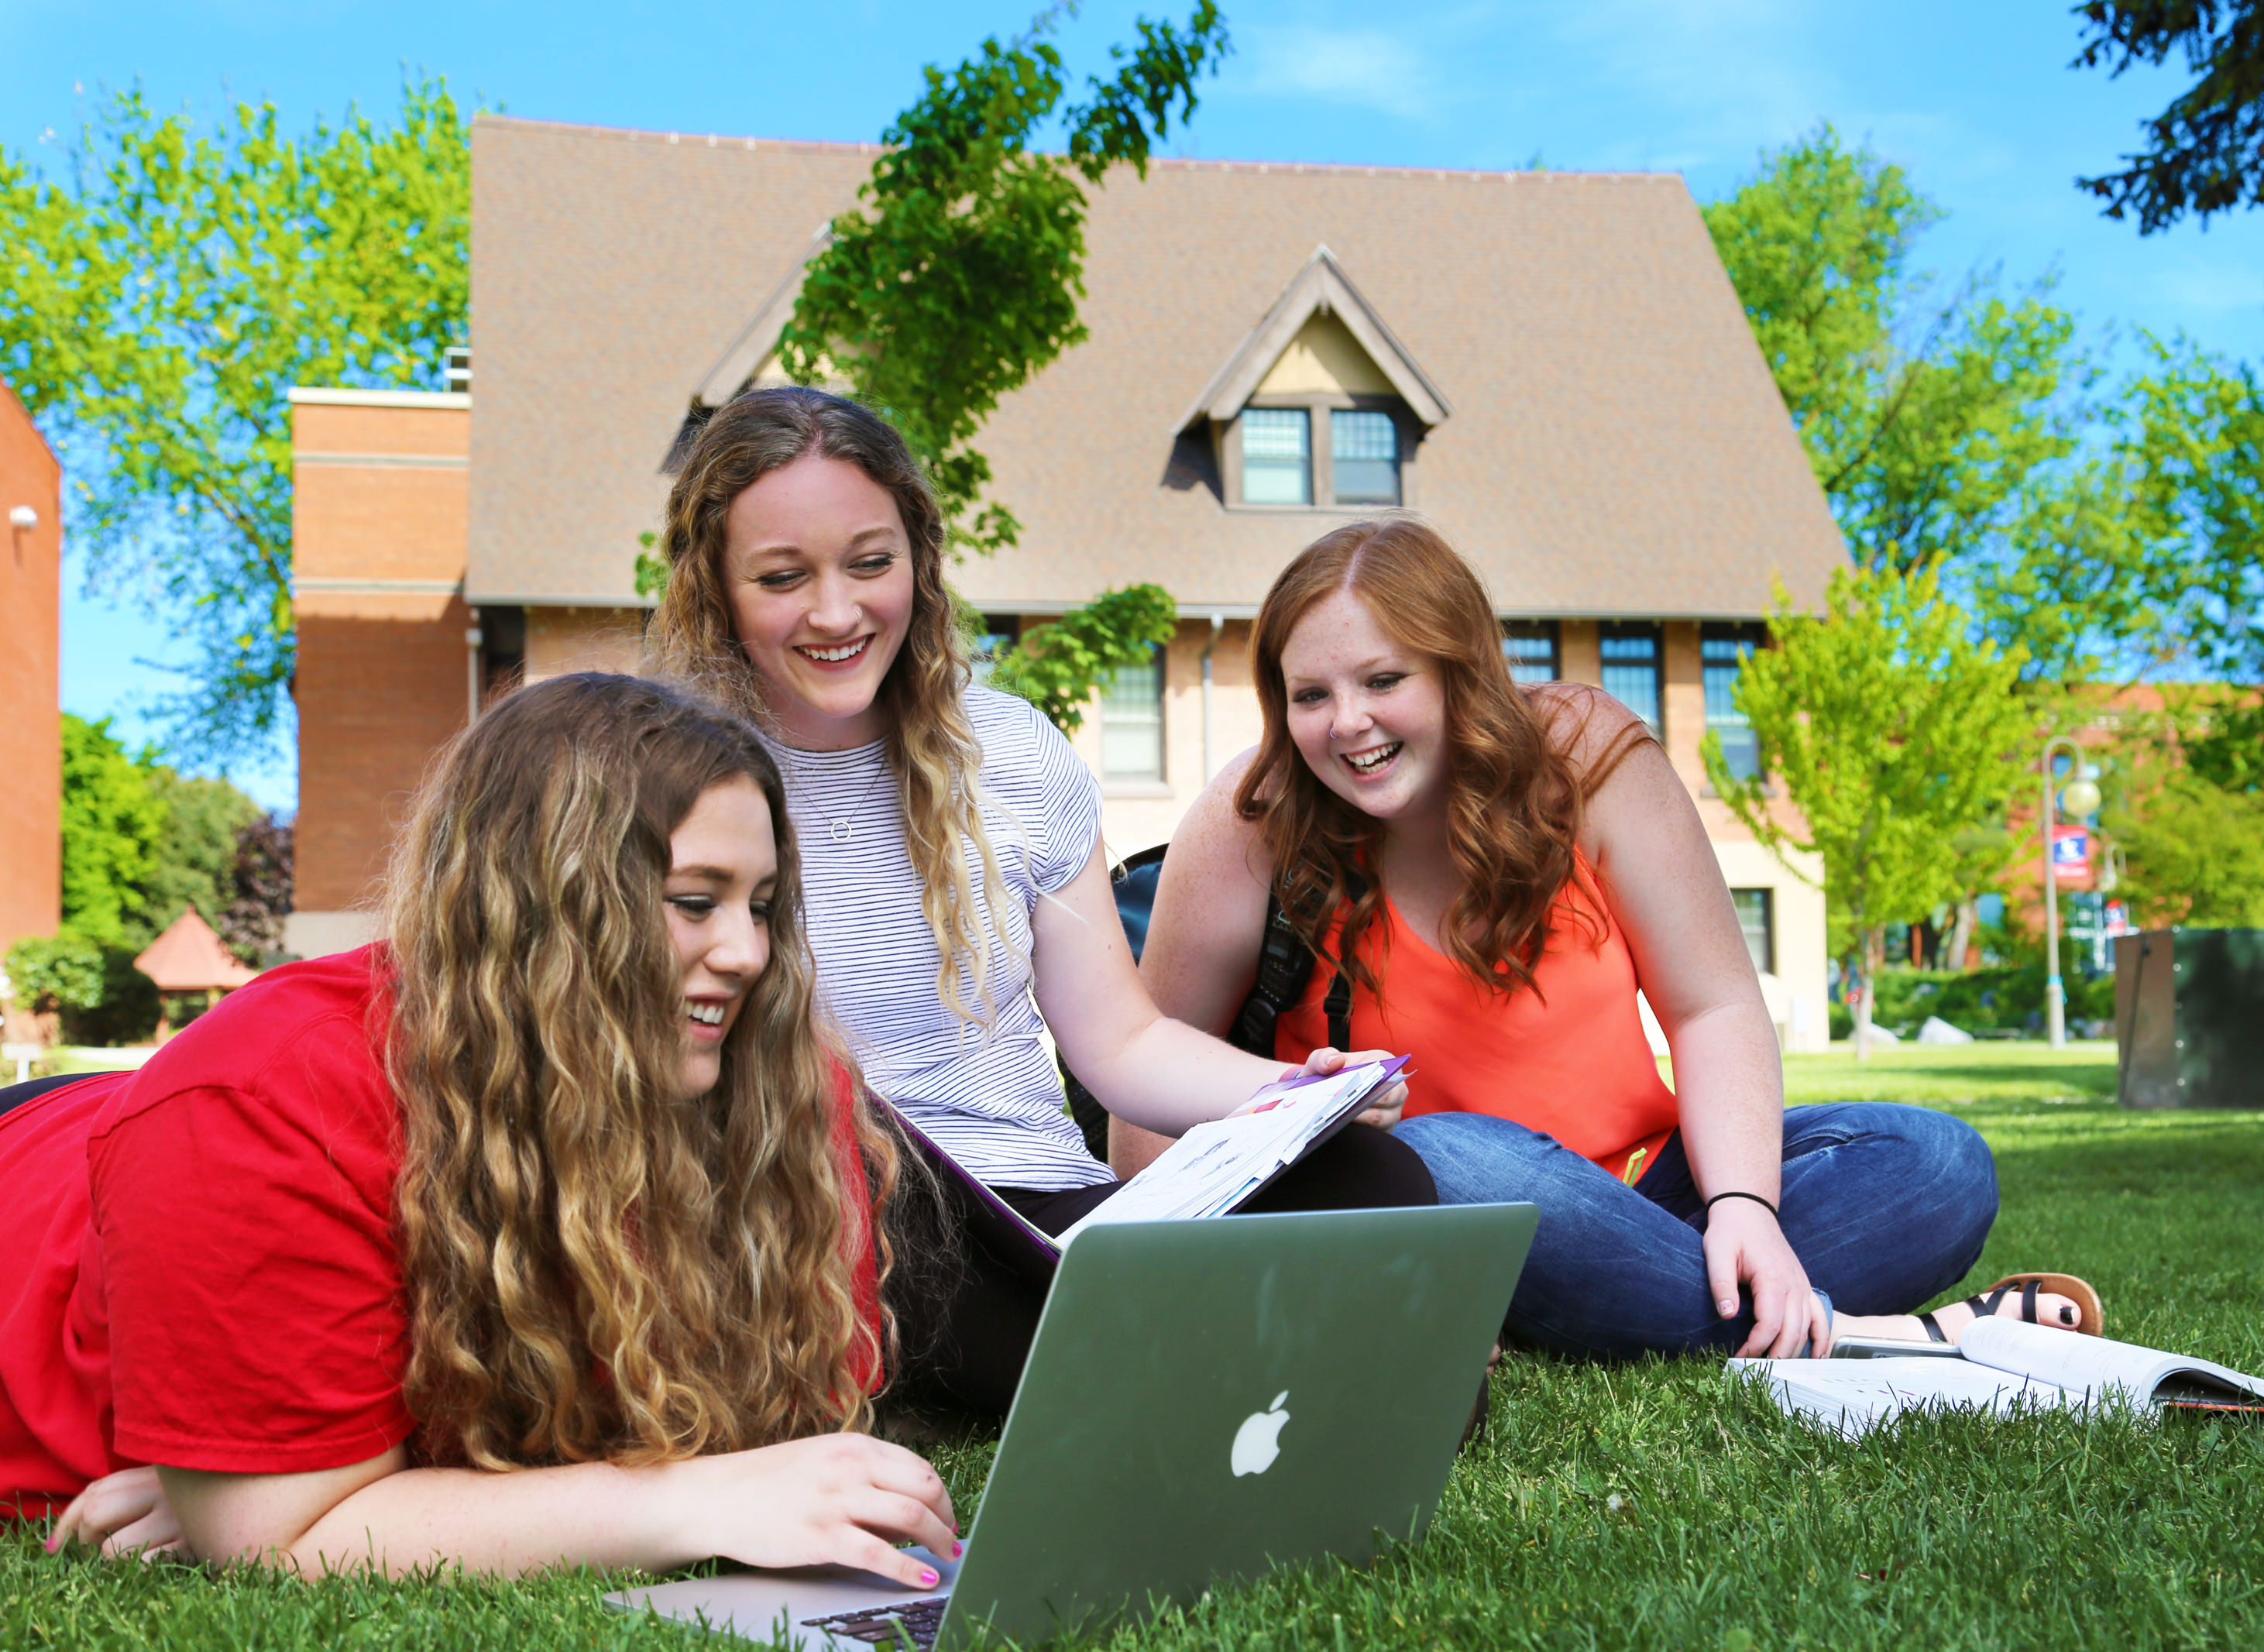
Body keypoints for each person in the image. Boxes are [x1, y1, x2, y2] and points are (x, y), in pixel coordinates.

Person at [4, 674, 959, 1586]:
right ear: (542, 905)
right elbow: (285, 1539)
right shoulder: (257, 1101)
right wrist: (275, 1497)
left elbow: (790, 1430)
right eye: (694, 902)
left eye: (760, 906)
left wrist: (385, 1493)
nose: (748, 954)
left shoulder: (785, 1086)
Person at [1127, 517, 2104, 1362]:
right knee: (1457, 1160)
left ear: (1460, 673)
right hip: (1413, 1211)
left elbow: (1711, 1005)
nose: (1348, 725)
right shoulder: (1251, 819)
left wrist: (1743, 1212)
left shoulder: (1584, 759)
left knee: (1935, 1163)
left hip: (1642, 1202)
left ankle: (1617, 1311)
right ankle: (1878, 1337)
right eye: (1309, 696)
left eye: (1384, 679)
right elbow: (1141, 1120)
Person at [646, 389, 1434, 1417]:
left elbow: (1120, 1046)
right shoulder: (661, 778)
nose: (836, 613)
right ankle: (1272, 1370)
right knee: (892, 1220)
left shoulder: (1010, 752)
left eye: (871, 564)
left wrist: (1292, 1095)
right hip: (820, 1217)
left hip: (1041, 1214)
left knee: (1376, 1181)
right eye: (783, 577)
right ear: (718, 586)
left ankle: (1163, 1353)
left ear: (920, 563)